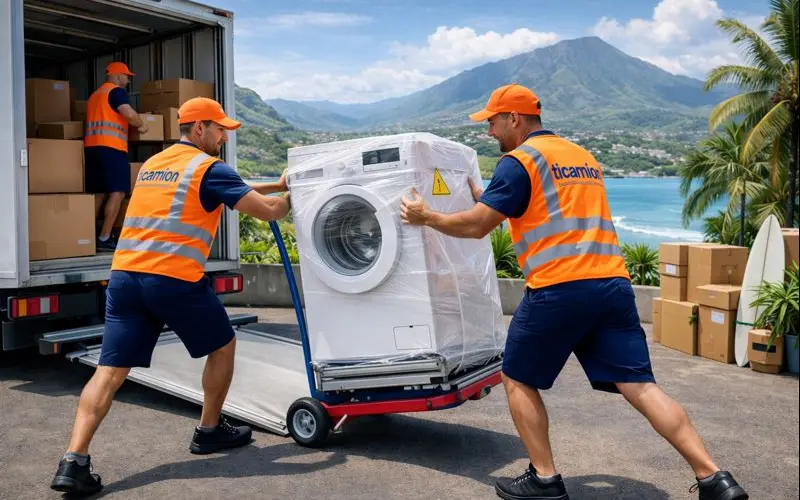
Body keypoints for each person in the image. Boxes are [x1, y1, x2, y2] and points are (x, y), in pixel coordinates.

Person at [399, 84, 749, 500]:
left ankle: (544, 479)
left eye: (492, 121)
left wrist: (427, 217)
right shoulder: (582, 156)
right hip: (613, 287)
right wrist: (483, 197)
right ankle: (714, 478)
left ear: (514, 118)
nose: (489, 131)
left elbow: (477, 227)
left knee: (516, 377)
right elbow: (549, 211)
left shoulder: (520, 161)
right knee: (640, 385)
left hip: (559, 288)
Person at [50, 97, 292, 496]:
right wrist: (292, 193)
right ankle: (208, 431)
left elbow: (230, 187)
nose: (223, 137)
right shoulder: (207, 168)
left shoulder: (153, 166)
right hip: (172, 278)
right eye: (219, 129)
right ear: (199, 129)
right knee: (224, 345)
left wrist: (274, 184)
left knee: (110, 371)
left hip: (126, 278)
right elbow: (267, 211)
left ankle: (73, 460)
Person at [84, 61, 149, 252]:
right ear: (118, 76)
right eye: (127, 77)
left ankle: (87, 237)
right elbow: (128, 113)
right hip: (112, 149)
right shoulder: (116, 92)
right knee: (118, 192)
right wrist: (141, 124)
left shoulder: (95, 95)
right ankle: (104, 237)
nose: (128, 81)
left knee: (98, 193)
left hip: (92, 149)